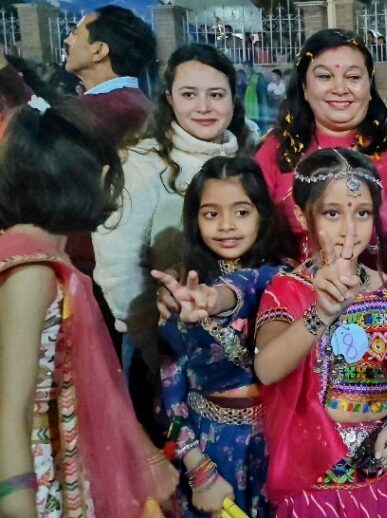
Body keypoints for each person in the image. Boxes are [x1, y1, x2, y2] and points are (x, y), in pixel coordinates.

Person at [0, 102, 177, 518]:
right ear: (98, 178)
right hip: (32, 476)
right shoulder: (32, 273)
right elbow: (9, 411)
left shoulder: (36, 260)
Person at [254, 149, 387, 514]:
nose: (349, 230)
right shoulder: (287, 289)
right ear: (302, 215)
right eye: (332, 213)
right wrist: (321, 313)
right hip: (311, 486)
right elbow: (267, 368)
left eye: (362, 213)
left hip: (376, 484)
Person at [92, 44, 249, 418]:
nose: (204, 107)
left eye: (216, 95)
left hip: (236, 340)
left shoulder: (245, 155)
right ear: (169, 99)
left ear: (233, 98)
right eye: (189, 95)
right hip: (160, 345)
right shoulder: (141, 163)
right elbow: (118, 268)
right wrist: (151, 338)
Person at [152, 157, 292, 517]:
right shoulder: (182, 292)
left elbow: (247, 285)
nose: (226, 225)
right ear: (195, 220)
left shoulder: (284, 279)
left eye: (241, 212)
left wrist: (215, 299)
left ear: (262, 215)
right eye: (211, 214)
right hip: (211, 447)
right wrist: (198, 469)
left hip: (280, 442)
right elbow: (170, 393)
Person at [255, 29, 387, 268]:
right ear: (304, 87)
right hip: (292, 286)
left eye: (353, 77)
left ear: (369, 85)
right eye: (324, 76)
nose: (340, 88)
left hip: (386, 287)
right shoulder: (279, 149)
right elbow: (251, 231)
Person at [0, 5, 155, 146]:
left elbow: (42, 136)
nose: (67, 40)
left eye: (75, 34)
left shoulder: (98, 110)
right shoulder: (134, 100)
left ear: (98, 51)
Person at [242, 62, 269, 133]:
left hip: (257, 103)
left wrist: (250, 83)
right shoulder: (244, 77)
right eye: (244, 68)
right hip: (248, 104)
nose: (246, 69)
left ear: (251, 68)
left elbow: (261, 88)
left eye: (247, 67)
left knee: (259, 122)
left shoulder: (258, 76)